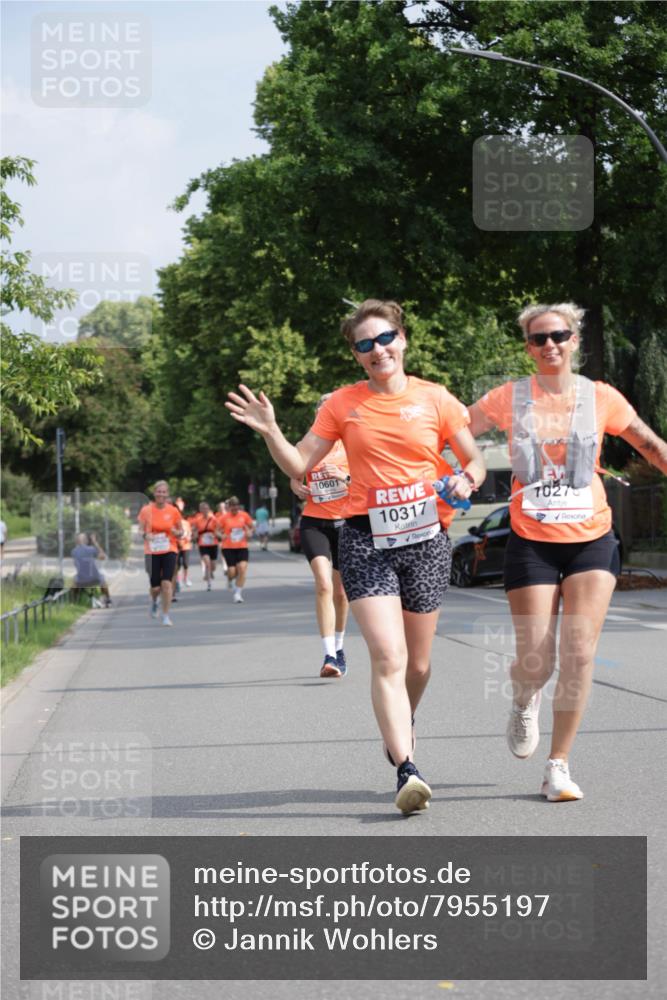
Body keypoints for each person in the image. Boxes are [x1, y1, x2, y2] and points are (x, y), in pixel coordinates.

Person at [227, 299, 485, 814]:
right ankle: (407, 769)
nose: (378, 350)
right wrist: (271, 431)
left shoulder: (436, 399)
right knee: (387, 657)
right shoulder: (343, 405)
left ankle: (400, 727)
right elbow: (300, 462)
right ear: (356, 355)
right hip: (366, 539)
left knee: (418, 663)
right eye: (365, 345)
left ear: (403, 339)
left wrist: (466, 477)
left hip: (427, 540)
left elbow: (474, 459)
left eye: (385, 338)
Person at [468, 302, 667, 802]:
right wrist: (441, 471)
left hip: (592, 537)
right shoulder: (507, 398)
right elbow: (451, 433)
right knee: (537, 661)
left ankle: (558, 765)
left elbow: (650, 446)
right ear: (528, 347)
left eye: (558, 335)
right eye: (538, 339)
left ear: (575, 340)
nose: (549, 345)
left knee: (579, 654)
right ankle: (523, 697)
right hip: (533, 540)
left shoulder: (601, 397)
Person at [290, 394, 351, 678]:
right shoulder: (309, 445)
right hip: (314, 522)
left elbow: (367, 482)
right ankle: (328, 655)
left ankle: (339, 649)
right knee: (324, 586)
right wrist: (296, 485)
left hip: (346, 523)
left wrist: (343, 477)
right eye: (321, 409)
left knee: (341, 592)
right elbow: (294, 470)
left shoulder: (351, 444)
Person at [137, 480, 183, 627]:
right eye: (159, 491)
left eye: (164, 492)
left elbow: (181, 531)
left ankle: (166, 615)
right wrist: (145, 535)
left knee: (167, 583)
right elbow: (140, 530)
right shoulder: (146, 510)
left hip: (170, 548)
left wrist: (177, 532)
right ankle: (155, 601)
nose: (161, 494)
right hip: (152, 551)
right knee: (156, 587)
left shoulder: (173, 511)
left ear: (167, 493)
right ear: (154, 493)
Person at [219, 497, 255, 603]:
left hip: (242, 546)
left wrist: (250, 532)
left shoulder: (244, 515)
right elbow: (216, 530)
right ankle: (230, 579)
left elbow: (252, 527)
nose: (235, 507)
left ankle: (238, 593)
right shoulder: (224, 518)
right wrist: (221, 536)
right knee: (232, 571)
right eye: (232, 505)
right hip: (228, 547)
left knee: (242, 569)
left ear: (238, 506)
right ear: (229, 507)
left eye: (236, 505)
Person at [70, 533, 112, 606]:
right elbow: (103, 557)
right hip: (95, 579)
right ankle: (108, 599)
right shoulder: (91, 549)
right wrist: (95, 542)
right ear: (86, 541)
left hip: (81, 580)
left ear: (77, 541)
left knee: (74, 581)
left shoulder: (73, 551)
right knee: (103, 580)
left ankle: (73, 602)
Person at [191, 502, 221, 591]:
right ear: (200, 510)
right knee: (207, 562)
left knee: (213, 566)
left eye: (206, 509)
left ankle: (211, 572)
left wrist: (215, 535)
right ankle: (209, 584)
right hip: (203, 544)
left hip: (213, 544)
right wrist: (195, 535)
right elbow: (194, 532)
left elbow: (219, 531)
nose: (204, 510)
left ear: (209, 509)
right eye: (202, 509)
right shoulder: (197, 520)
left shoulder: (214, 519)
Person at [173, 497, 192, 589]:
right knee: (176, 565)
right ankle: (178, 580)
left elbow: (189, 533)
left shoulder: (186, 523)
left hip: (185, 545)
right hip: (176, 546)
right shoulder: (172, 523)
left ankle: (186, 578)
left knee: (186, 564)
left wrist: (188, 537)